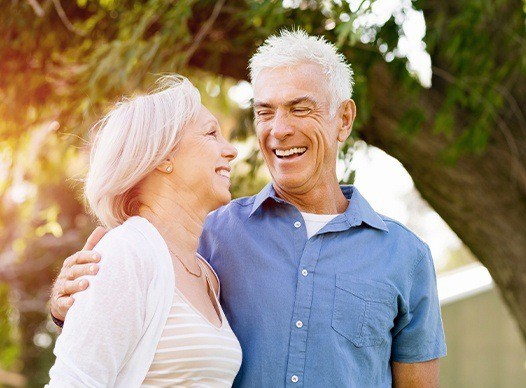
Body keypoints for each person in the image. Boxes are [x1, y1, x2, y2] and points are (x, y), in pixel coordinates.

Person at [50, 30, 446, 387]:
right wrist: (70, 302)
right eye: (264, 112)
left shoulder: (406, 257)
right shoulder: (208, 235)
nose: (278, 129)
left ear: (343, 120)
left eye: (300, 108)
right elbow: (124, 318)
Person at [47, 75, 242, 387]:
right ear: (164, 156)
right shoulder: (127, 252)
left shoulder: (206, 273)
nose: (230, 149)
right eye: (211, 133)